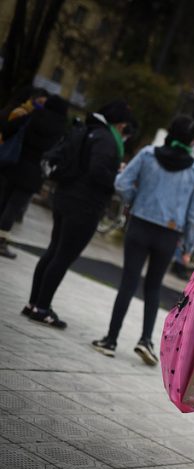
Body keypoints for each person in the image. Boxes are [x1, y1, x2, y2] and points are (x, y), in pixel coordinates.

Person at [92, 115, 194, 363]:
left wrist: (134, 199)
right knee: (153, 287)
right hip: (169, 234)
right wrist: (188, 246)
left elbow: (121, 183)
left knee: (128, 283)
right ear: (192, 141)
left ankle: (110, 340)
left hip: (140, 225)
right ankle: (146, 340)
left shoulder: (148, 154)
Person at [22, 100, 134, 328]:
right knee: (63, 256)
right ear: (119, 125)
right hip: (84, 204)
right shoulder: (106, 139)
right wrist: (116, 178)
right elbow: (98, 171)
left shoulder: (88, 129)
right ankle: (42, 308)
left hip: (65, 195)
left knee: (54, 250)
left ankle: (34, 303)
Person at [0, 95, 68, 258]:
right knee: (14, 206)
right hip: (35, 172)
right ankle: (1, 241)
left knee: (4, 200)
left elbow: (9, 129)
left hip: (15, 162)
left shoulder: (33, 116)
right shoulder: (60, 129)